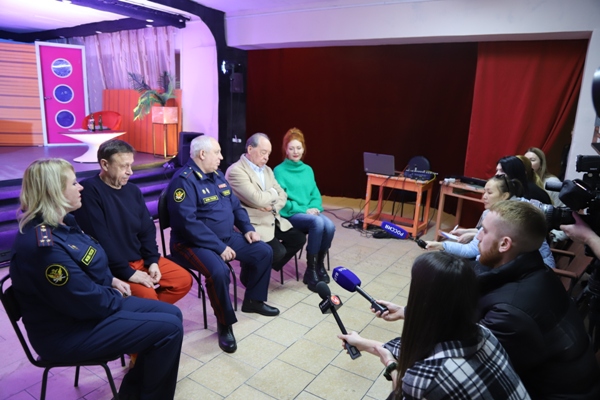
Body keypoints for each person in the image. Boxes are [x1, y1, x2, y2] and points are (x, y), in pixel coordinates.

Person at [10, 158, 183, 400]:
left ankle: (134, 393)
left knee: (173, 315)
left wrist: (111, 280)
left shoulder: (64, 222)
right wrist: (115, 293)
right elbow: (84, 300)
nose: (80, 187)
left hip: (87, 309)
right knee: (168, 330)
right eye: (73, 183)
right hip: (65, 332)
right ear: (54, 192)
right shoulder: (43, 248)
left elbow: (87, 265)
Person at [338, 252, 529, 400]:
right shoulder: (483, 332)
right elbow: (417, 350)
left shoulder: (425, 380)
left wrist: (391, 366)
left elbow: (405, 387)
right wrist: (362, 343)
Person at [475, 200, 600, 398]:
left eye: (484, 231)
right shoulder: (541, 272)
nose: (478, 237)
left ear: (505, 244)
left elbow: (475, 366)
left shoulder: (510, 313)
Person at [166, 135, 279, 354]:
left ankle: (254, 301)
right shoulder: (184, 181)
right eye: (217, 152)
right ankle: (225, 324)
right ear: (202, 154)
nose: (221, 157)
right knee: (219, 272)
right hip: (191, 243)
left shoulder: (217, 175)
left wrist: (247, 228)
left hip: (225, 237)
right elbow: (188, 224)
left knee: (263, 251)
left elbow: (236, 206)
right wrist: (219, 247)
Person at [72, 139, 192, 304]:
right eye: (124, 166)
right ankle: (148, 311)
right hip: (114, 266)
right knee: (148, 297)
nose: (130, 172)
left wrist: (152, 261)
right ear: (105, 164)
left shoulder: (132, 190)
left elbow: (147, 229)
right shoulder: (90, 191)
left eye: (130, 165)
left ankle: (146, 311)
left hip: (140, 259)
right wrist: (128, 273)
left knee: (182, 281)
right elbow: (100, 239)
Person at [425, 175, 555, 269]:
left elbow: (470, 250)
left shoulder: (513, 216)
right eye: (484, 192)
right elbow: (475, 245)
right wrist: (442, 245)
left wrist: (441, 245)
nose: (484, 197)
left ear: (504, 196)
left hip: (531, 272)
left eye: (489, 193)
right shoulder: (508, 209)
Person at [225, 133, 306, 273]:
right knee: (278, 252)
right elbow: (257, 199)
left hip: (271, 217)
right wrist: (273, 193)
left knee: (298, 239)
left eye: (269, 153)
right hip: (254, 223)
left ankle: (260, 266)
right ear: (250, 149)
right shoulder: (236, 171)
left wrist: (273, 206)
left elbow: (283, 195)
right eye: (263, 152)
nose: (266, 157)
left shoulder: (267, 170)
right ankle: (252, 272)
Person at [273, 127, 335, 291]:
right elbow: (282, 200)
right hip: (290, 213)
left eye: (298, 148)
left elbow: (315, 193)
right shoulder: (279, 171)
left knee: (330, 226)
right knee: (317, 223)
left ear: (303, 149)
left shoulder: (308, 170)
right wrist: (304, 210)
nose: (295, 152)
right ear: (285, 150)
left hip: (309, 212)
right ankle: (310, 270)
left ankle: (319, 265)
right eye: (291, 148)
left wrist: (314, 207)